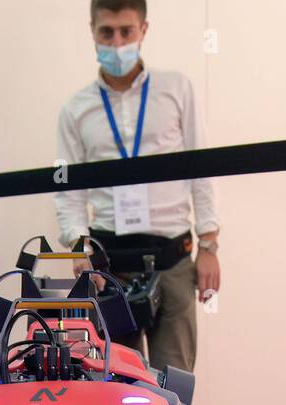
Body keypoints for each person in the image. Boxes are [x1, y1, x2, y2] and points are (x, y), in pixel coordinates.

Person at [53, 0, 221, 374]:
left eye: (126, 31)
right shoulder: (75, 109)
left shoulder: (177, 89)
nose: (116, 43)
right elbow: (68, 191)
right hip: (108, 264)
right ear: (92, 31)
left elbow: (202, 166)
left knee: (173, 385)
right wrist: (79, 247)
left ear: (143, 30)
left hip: (173, 258)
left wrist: (209, 245)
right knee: (115, 384)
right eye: (106, 32)